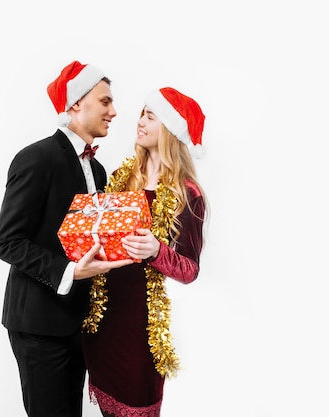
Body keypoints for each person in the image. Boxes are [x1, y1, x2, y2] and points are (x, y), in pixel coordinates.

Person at [0, 59, 134, 417]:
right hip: (39, 326)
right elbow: (6, 241)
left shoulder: (98, 169)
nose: (114, 112)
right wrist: (69, 272)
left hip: (79, 324)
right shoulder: (36, 159)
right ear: (75, 104)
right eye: (105, 102)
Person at [81, 87, 208, 417]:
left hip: (141, 328)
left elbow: (190, 270)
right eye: (141, 113)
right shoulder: (122, 179)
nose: (139, 121)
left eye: (150, 116)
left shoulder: (186, 193)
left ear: (168, 130)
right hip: (105, 316)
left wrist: (156, 250)